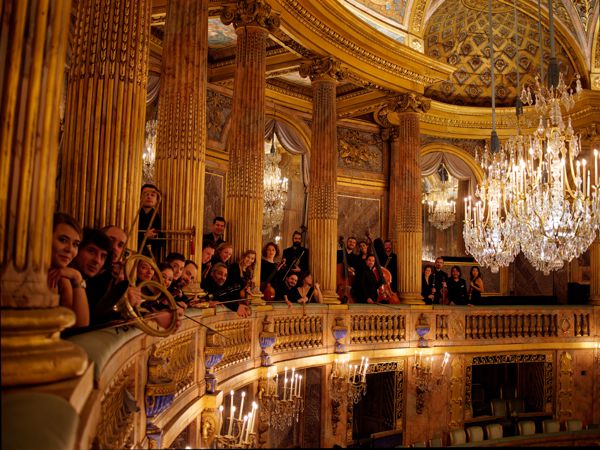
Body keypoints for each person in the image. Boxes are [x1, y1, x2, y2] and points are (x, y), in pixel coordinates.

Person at [49, 213, 89, 328]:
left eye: (75, 244)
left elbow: (81, 325)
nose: (69, 249)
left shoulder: (63, 277)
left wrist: (77, 278)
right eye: (63, 240)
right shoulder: (30, 275)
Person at [138, 183, 164, 260]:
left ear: (157, 200)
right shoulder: (134, 213)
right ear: (139, 197)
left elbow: (161, 241)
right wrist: (144, 236)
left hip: (150, 255)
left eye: (152, 195)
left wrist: (153, 236)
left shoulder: (157, 217)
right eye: (146, 194)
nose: (149, 197)